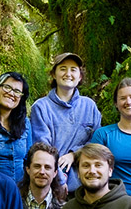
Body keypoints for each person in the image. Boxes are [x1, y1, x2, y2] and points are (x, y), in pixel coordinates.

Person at [30, 52, 102, 191]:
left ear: (80, 76)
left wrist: (74, 154)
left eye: (73, 69)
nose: (68, 73)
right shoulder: (41, 107)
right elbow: (42, 149)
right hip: (52, 185)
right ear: (53, 74)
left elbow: (97, 142)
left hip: (86, 185)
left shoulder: (89, 106)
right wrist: (59, 181)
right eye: (63, 68)